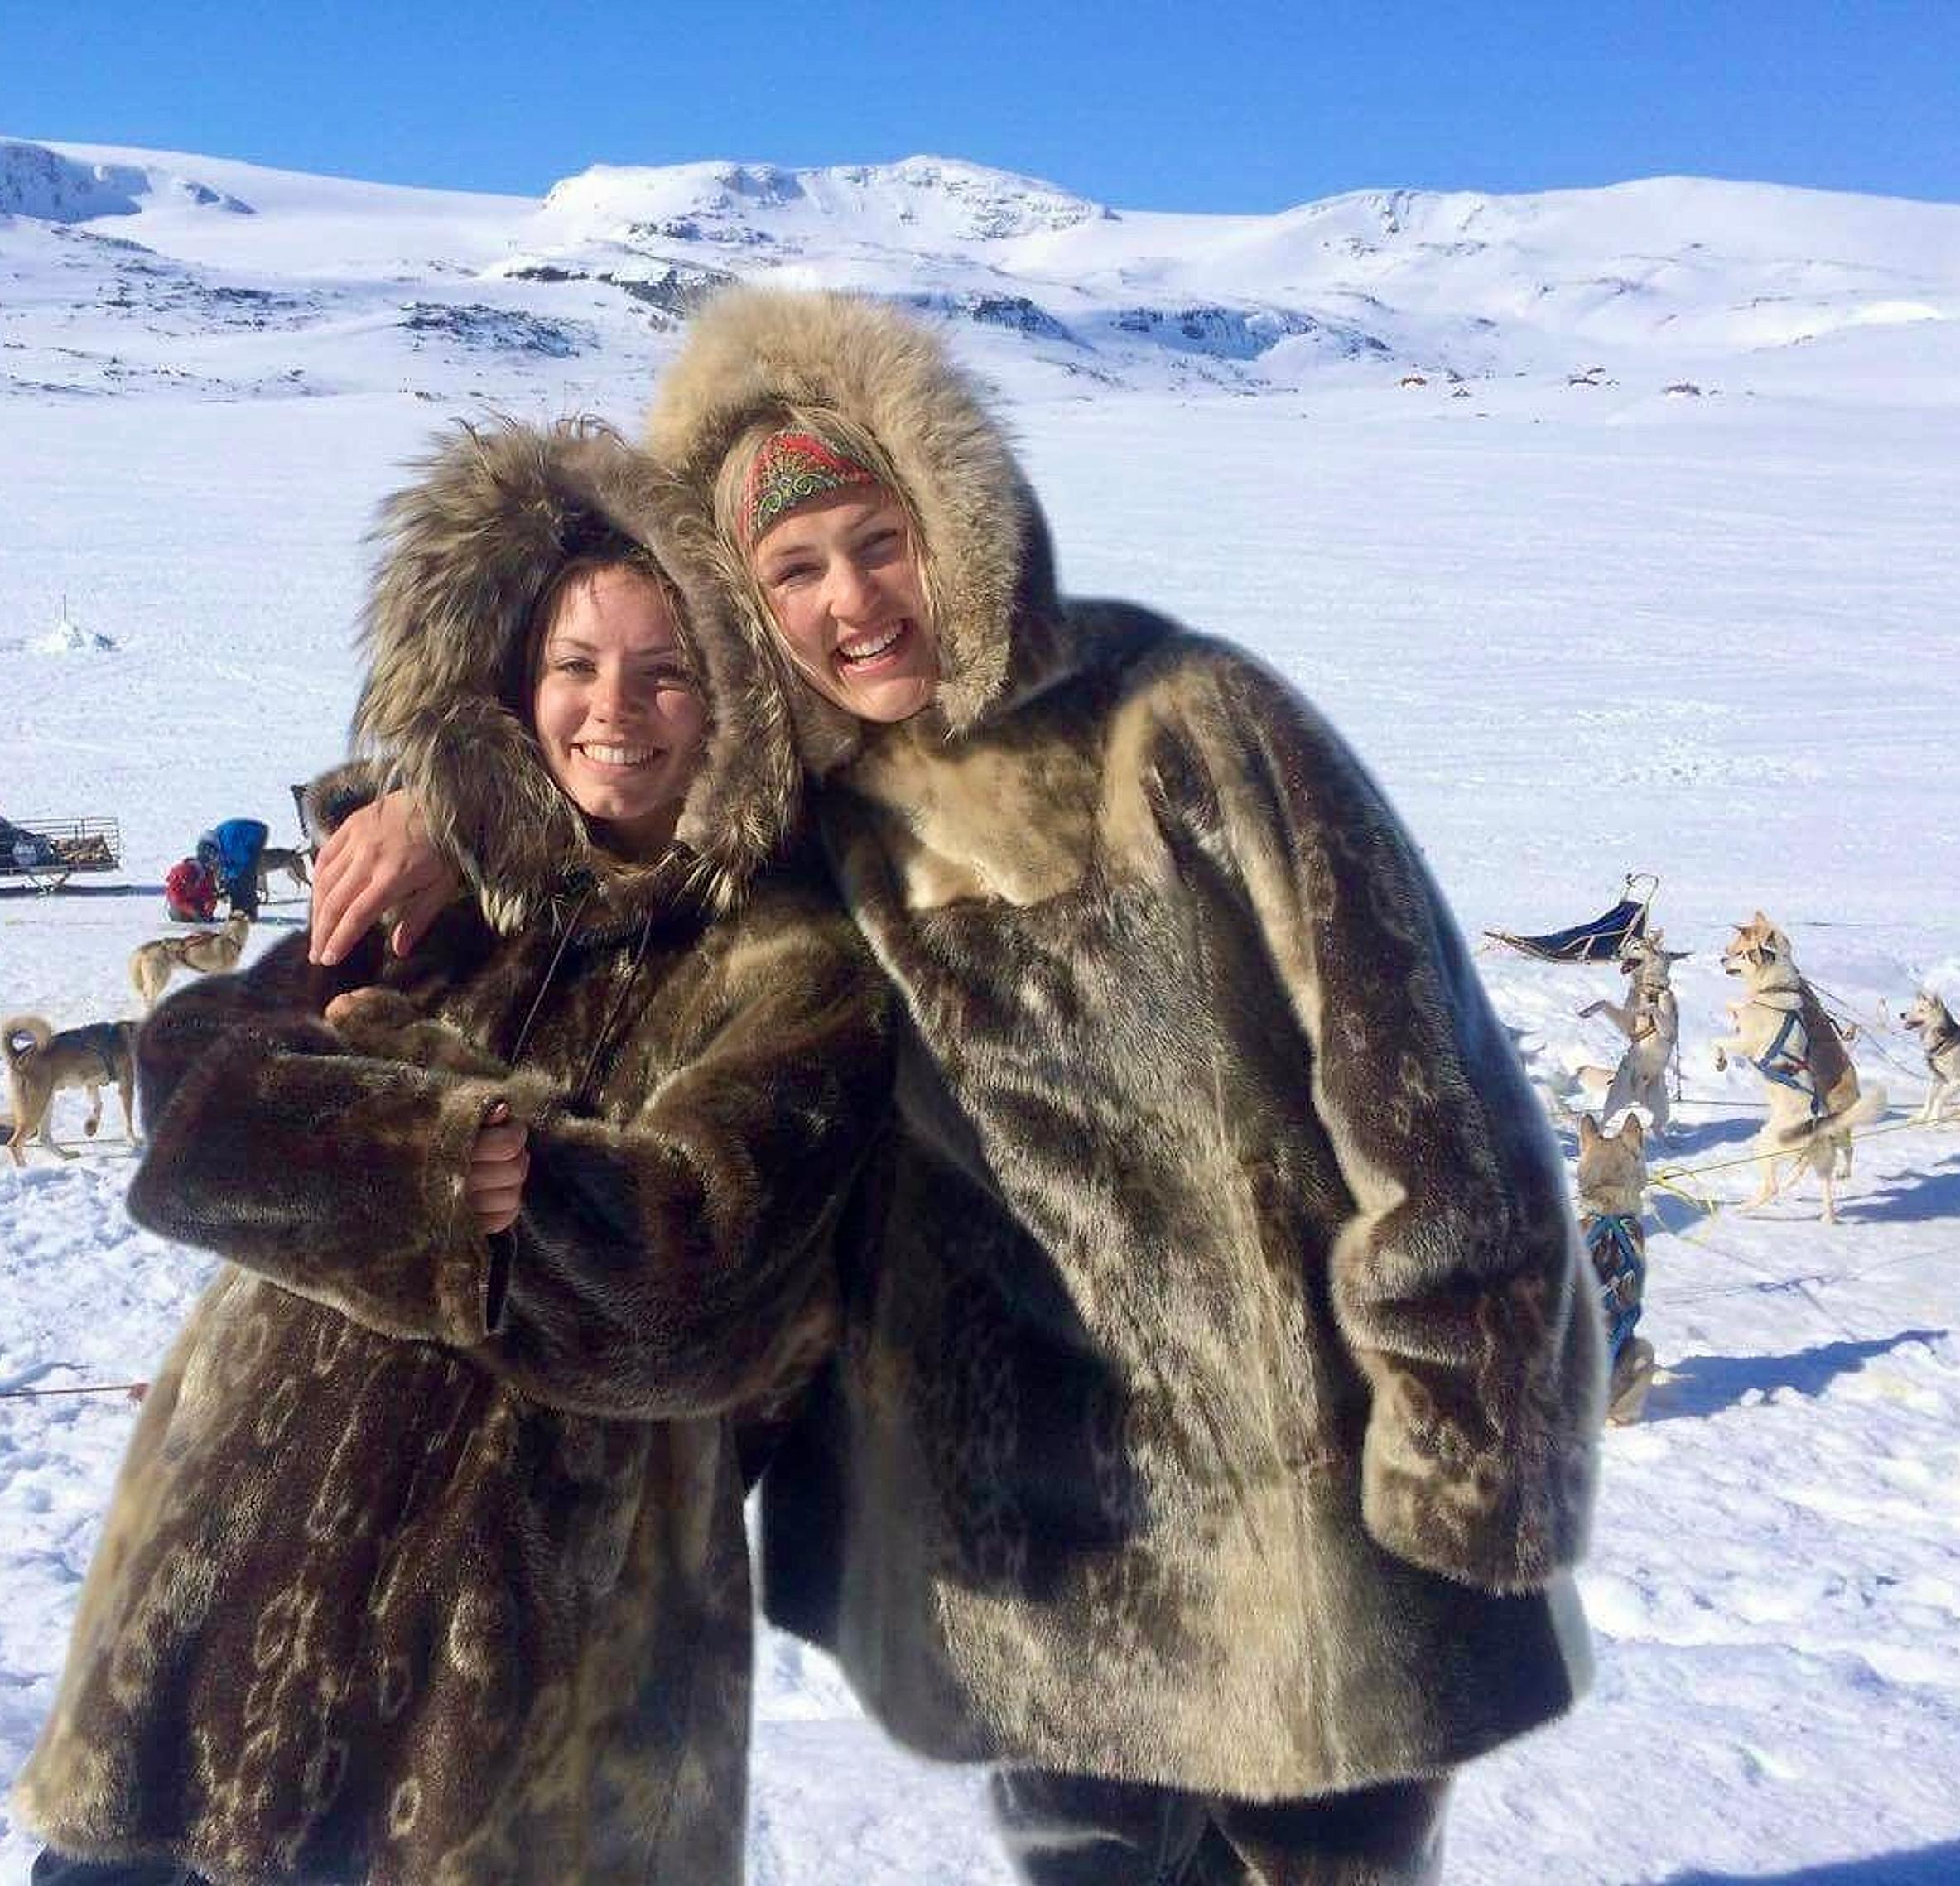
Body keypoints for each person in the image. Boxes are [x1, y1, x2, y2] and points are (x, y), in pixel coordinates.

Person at [316, 291, 1605, 1884]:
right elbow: (601, 799)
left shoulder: (1178, 718)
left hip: (1303, 1505)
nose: (852, 600)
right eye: (792, 570)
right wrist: (445, 808)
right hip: (1024, 1541)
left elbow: (1427, 1093)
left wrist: (1464, 1435)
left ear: (953, 517)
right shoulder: (792, 810)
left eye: (879, 539)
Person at [15, 421, 890, 1886]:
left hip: (536, 1675)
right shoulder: (435, 885)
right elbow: (193, 1095)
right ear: (511, 679)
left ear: (739, 697)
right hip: (222, 1595)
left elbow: (687, 1282)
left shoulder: (795, 962)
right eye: (574, 664)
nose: (616, 710)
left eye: (668, 669)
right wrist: (431, 1160)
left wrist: (423, 1107)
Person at [200, 816, 269, 921]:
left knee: (246, 875)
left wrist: (230, 881)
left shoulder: (231, 845)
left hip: (258, 834)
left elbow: (242, 862)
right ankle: (238, 909)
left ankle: (250, 911)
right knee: (235, 880)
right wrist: (227, 879)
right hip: (240, 837)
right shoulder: (219, 841)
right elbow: (224, 862)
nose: (213, 859)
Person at [162, 850, 219, 923]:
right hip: (181, 907)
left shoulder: (207, 874)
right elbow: (178, 900)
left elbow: (211, 895)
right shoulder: (176, 878)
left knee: (202, 917)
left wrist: (209, 909)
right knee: (180, 917)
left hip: (198, 903)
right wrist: (193, 912)